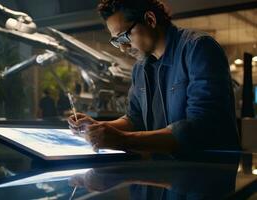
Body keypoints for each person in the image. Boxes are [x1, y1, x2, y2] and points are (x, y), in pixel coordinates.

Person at [68, 0, 240, 153]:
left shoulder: (198, 48)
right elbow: (134, 119)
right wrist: (97, 128)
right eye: (116, 41)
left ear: (150, 19)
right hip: (162, 173)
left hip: (206, 174)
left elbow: (201, 127)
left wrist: (123, 140)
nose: (122, 48)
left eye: (124, 36)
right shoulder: (140, 68)